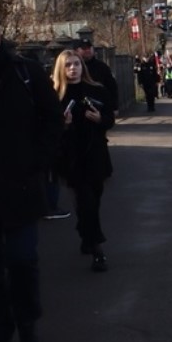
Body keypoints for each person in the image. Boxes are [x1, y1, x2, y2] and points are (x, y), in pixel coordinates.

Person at [0, 8, 63, 342]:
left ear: (0, 32)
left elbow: (52, 120)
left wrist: (37, 162)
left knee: (23, 262)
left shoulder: (24, 72)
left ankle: (28, 328)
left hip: (20, 188)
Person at [52, 50, 116, 272]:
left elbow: (110, 119)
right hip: (72, 159)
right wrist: (64, 125)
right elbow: (48, 130)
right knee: (85, 201)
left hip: (96, 155)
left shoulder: (96, 90)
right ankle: (98, 250)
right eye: (68, 65)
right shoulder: (55, 96)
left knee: (94, 200)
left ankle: (85, 233)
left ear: (82, 66)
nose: (73, 68)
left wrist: (100, 119)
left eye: (76, 64)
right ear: (61, 68)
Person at [75, 37, 119, 114]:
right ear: (77, 50)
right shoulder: (74, 67)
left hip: (100, 108)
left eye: (89, 47)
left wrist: (114, 107)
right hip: (79, 109)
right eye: (84, 48)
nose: (87, 50)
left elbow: (112, 87)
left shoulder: (102, 67)